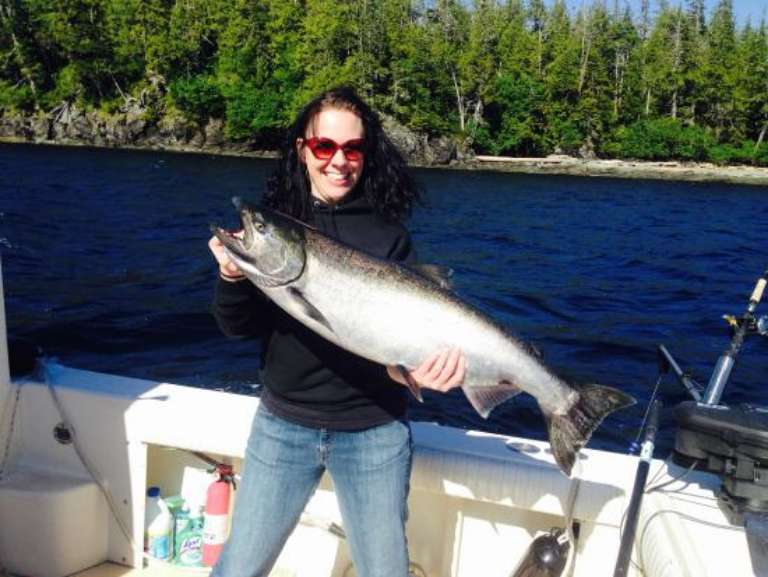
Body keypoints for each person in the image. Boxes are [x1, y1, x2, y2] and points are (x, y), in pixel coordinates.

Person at [208, 86, 465, 577]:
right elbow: (237, 327)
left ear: (365, 154)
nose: (339, 161)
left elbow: (393, 351)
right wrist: (233, 275)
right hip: (282, 428)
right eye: (325, 147)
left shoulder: (389, 234)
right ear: (304, 151)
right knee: (237, 568)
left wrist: (422, 369)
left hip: (374, 433)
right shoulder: (277, 229)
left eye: (353, 149)